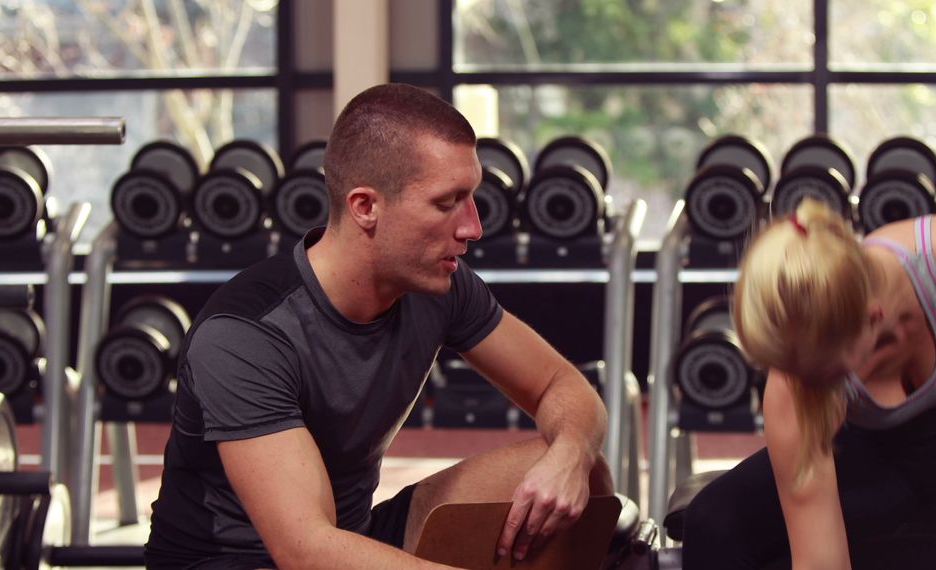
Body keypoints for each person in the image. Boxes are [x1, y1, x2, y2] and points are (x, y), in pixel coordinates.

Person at [145, 83, 612, 569]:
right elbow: (304, 550)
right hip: (238, 560)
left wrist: (571, 456)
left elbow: (564, 385)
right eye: (447, 202)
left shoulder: (441, 285)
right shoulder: (246, 334)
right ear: (365, 206)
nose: (472, 227)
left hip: (351, 538)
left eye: (471, 197)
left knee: (583, 479)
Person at [682, 198, 936, 569]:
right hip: (871, 445)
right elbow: (822, 560)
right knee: (712, 523)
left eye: (825, 373)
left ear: (872, 318)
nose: (807, 384)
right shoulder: (797, 385)